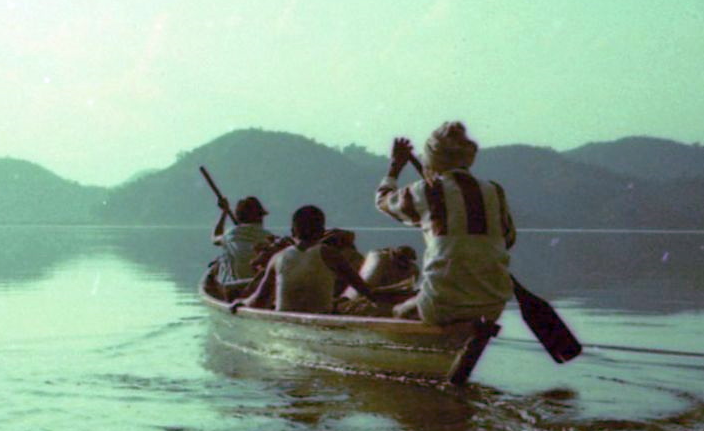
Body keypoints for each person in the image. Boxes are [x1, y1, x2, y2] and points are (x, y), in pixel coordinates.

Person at [375, 121, 516, 324]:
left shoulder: (424, 191)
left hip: (442, 304)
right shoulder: (494, 191)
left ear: (432, 159)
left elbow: (383, 201)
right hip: (493, 305)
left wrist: (395, 167)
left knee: (397, 311)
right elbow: (508, 240)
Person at [238, 205, 376, 313]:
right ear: (322, 232)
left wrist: (241, 303)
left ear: (292, 231)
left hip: (285, 323)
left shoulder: (277, 258)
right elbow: (366, 291)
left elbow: (258, 300)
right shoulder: (331, 254)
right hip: (320, 320)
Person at [210, 195, 276, 298]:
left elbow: (215, 237)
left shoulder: (230, 234)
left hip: (233, 289)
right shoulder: (269, 237)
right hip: (257, 288)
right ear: (260, 217)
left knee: (220, 263)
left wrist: (225, 212)